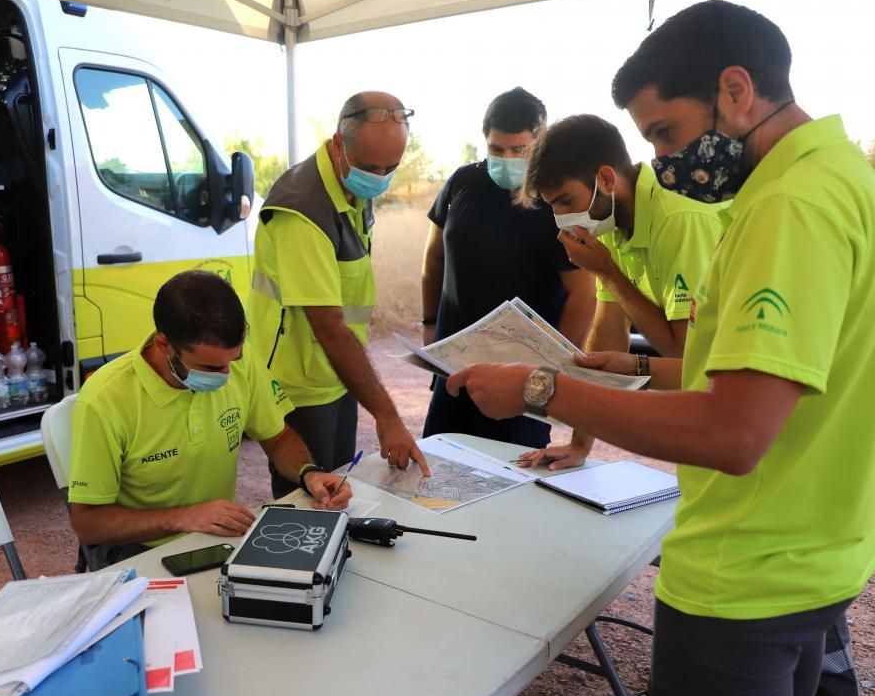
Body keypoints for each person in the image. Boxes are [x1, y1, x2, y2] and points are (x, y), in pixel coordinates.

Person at [445, 0, 873, 696]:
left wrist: (542, 390)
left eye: (666, 134)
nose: (666, 160)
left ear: (735, 90)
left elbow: (732, 432)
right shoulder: (844, 176)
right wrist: (629, 375)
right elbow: (765, 371)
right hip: (817, 547)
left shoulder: (783, 207)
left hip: (746, 571)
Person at [67, 270, 353, 571]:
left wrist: (309, 473)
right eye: (210, 367)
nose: (226, 374)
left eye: (234, 359)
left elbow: (278, 438)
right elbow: (87, 522)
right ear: (165, 345)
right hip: (137, 550)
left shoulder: (237, 362)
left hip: (211, 538)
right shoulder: (105, 400)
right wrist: (183, 517)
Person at [248, 90, 428, 499]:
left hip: (335, 372)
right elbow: (328, 326)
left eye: (391, 167)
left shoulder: (352, 185)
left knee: (340, 488)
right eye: (370, 166)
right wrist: (386, 415)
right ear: (337, 145)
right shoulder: (303, 211)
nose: (380, 177)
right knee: (310, 501)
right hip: (301, 383)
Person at [516, 114, 722, 470]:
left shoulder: (678, 220)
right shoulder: (609, 218)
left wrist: (608, 273)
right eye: (552, 207)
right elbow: (607, 337)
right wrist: (579, 444)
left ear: (606, 179)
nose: (560, 218)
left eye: (565, 201)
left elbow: (681, 354)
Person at [419, 88, 594, 449]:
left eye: (520, 151)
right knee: (439, 474)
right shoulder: (462, 182)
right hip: (453, 367)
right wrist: (429, 325)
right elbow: (434, 257)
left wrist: (551, 371)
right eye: (497, 149)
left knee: (512, 481)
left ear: (539, 144)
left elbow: (583, 292)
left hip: (519, 379)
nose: (508, 159)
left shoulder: (556, 200)